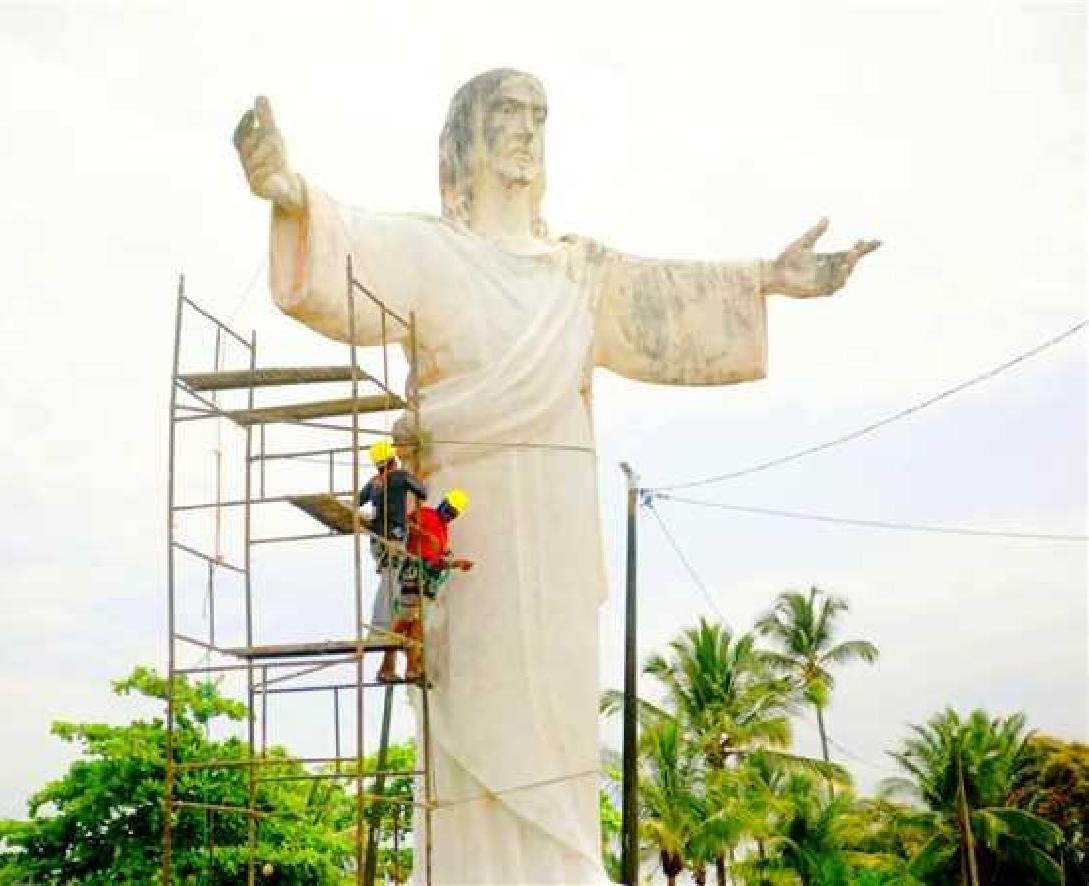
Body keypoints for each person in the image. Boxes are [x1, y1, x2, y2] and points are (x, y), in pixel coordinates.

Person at [235, 69, 880, 883]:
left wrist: (767, 279)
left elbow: (668, 300)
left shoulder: (580, 271)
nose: (526, 128)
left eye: (538, 114)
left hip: (561, 512)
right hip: (469, 520)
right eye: (507, 111)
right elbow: (344, 250)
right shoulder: (432, 251)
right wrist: (288, 191)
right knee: (474, 700)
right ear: (462, 137)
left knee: (560, 716)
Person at [378, 488, 473, 683]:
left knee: (417, 625)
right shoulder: (426, 514)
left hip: (428, 579)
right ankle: (387, 666)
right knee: (405, 619)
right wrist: (422, 533)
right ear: (443, 504)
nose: (448, 516)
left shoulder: (443, 531)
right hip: (415, 573)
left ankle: (412, 667)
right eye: (448, 510)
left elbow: (435, 559)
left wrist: (454, 562)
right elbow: (405, 525)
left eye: (453, 514)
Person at [356, 440, 426, 639]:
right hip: (394, 537)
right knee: (390, 580)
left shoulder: (373, 482)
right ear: (393, 460)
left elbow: (356, 501)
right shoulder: (400, 476)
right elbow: (423, 492)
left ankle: (386, 624)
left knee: (390, 579)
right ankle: (381, 627)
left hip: (377, 540)